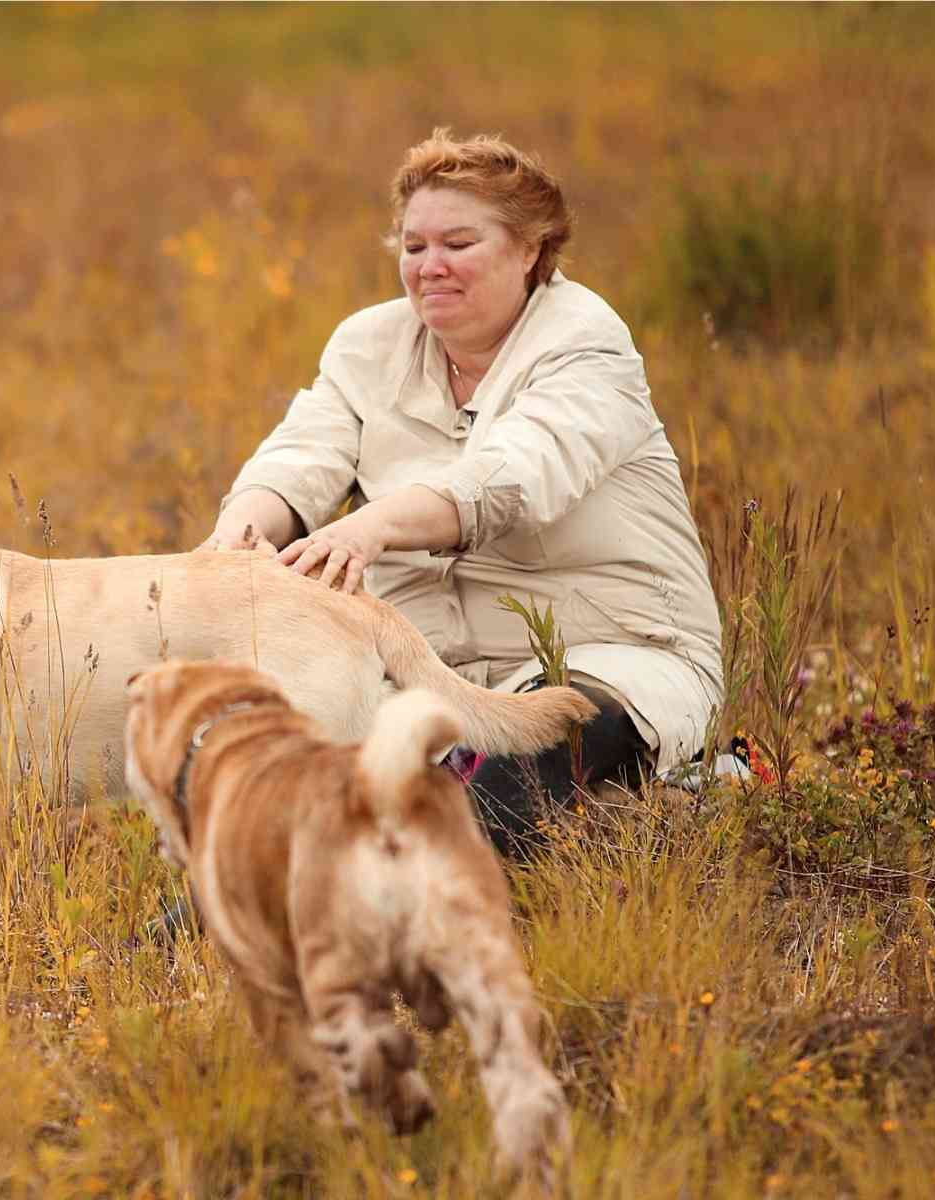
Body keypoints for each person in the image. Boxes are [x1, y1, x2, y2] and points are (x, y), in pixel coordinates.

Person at [200, 129, 723, 855]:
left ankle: (681, 788)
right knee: (280, 799)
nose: (430, 267)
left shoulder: (586, 342)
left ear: (530, 250)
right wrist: (242, 533)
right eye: (414, 247)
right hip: (429, 676)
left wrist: (370, 527)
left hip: (610, 656)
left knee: (482, 798)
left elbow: (515, 477)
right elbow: (300, 458)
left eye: (458, 244)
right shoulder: (366, 345)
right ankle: (174, 948)